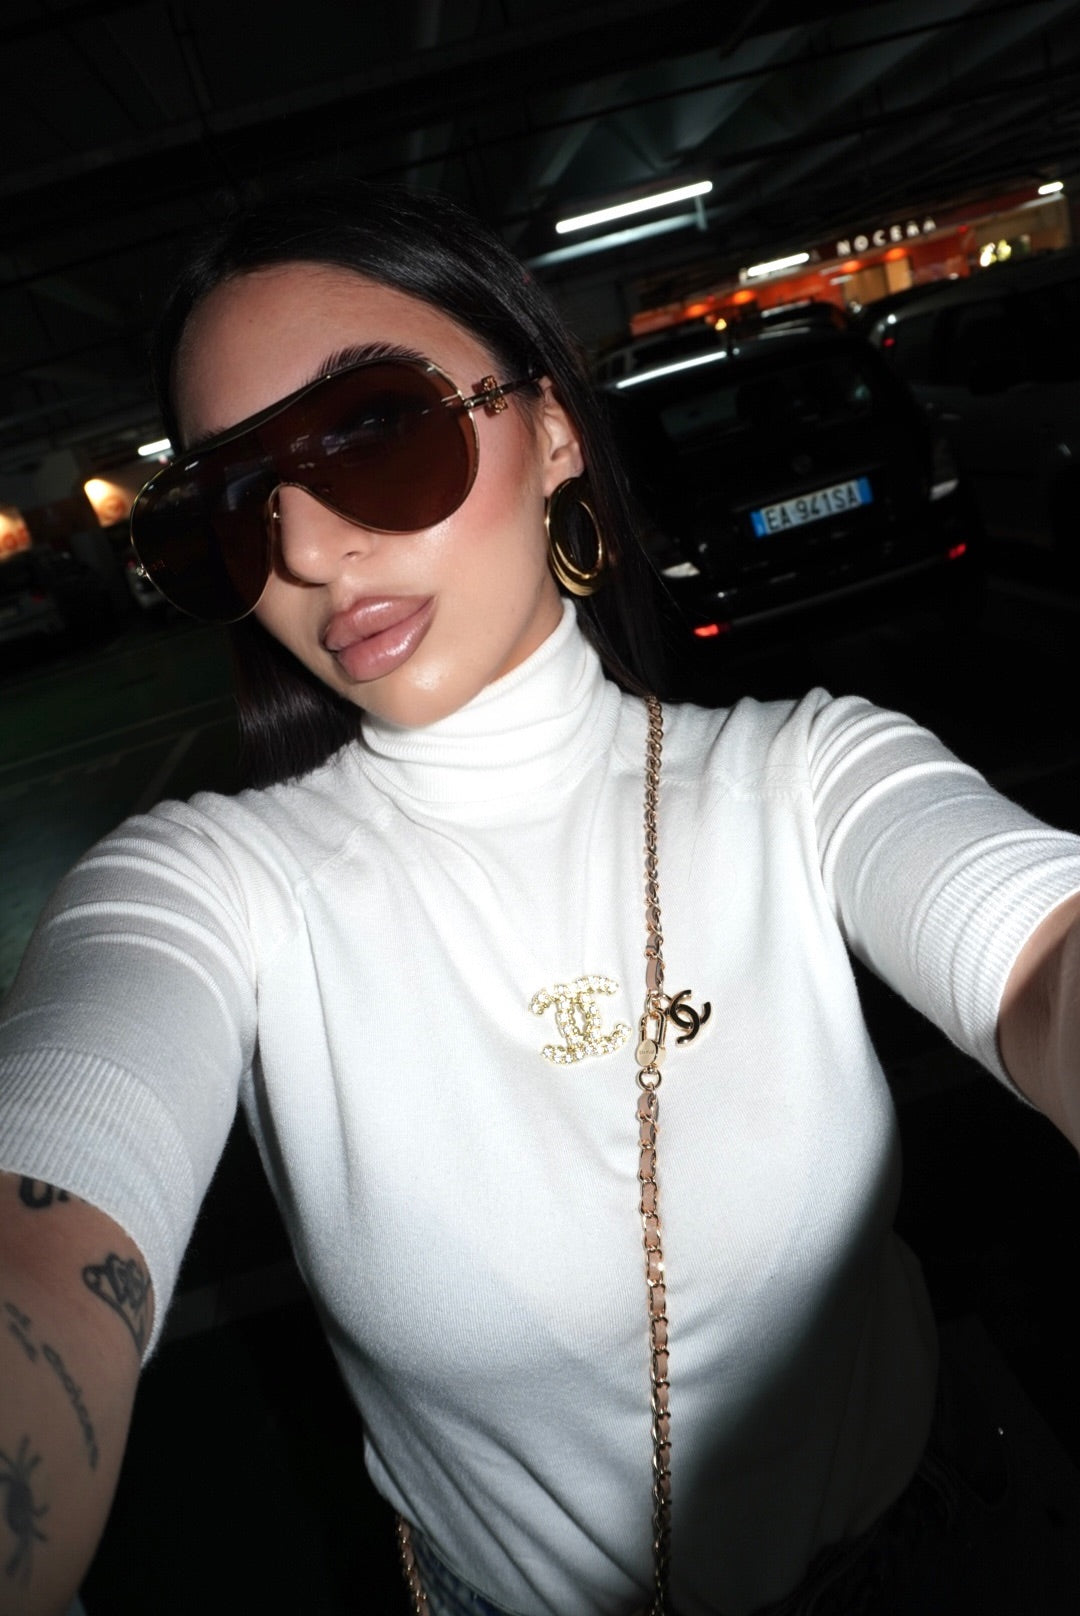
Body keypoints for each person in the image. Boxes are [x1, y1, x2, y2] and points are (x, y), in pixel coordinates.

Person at [1, 180, 1079, 1616]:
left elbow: (1043, 955)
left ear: (554, 428)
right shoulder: (206, 889)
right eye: (235, 502)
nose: (308, 549)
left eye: (374, 431)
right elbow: (47, 1219)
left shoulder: (812, 774)